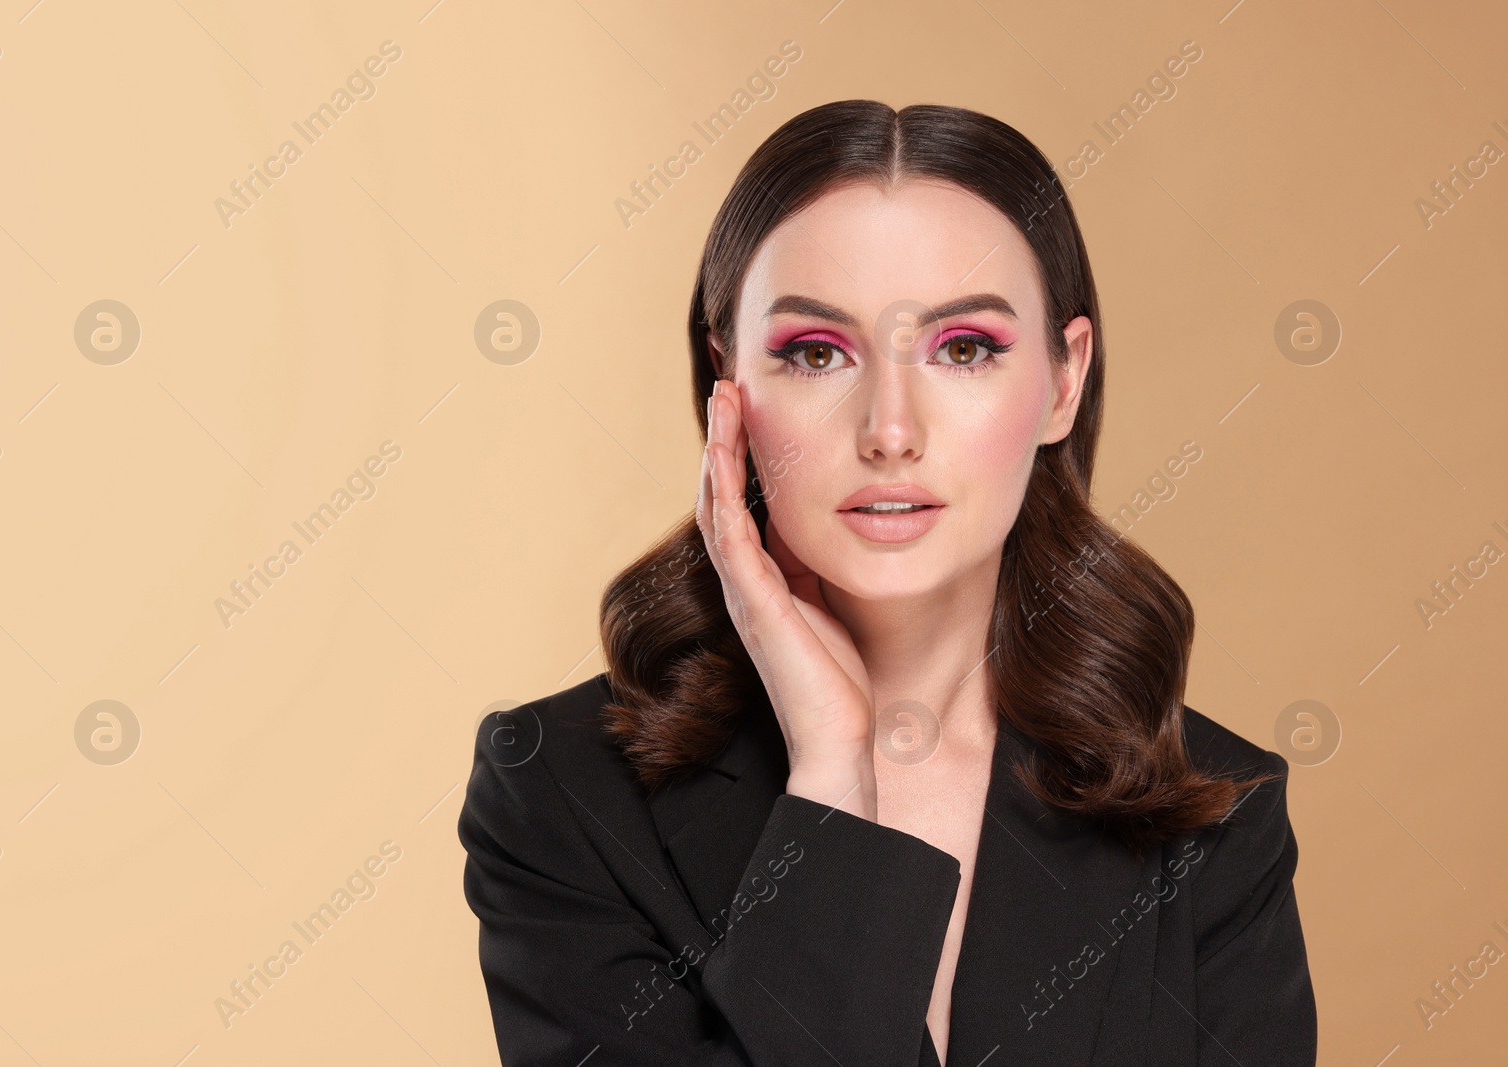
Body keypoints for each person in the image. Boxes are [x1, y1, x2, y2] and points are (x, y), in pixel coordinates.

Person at [459, 99, 1316, 1066]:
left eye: (964, 349)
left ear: (1063, 381)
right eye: (817, 354)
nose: (890, 430)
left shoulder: (1213, 815)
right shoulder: (563, 794)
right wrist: (832, 775)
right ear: (724, 382)